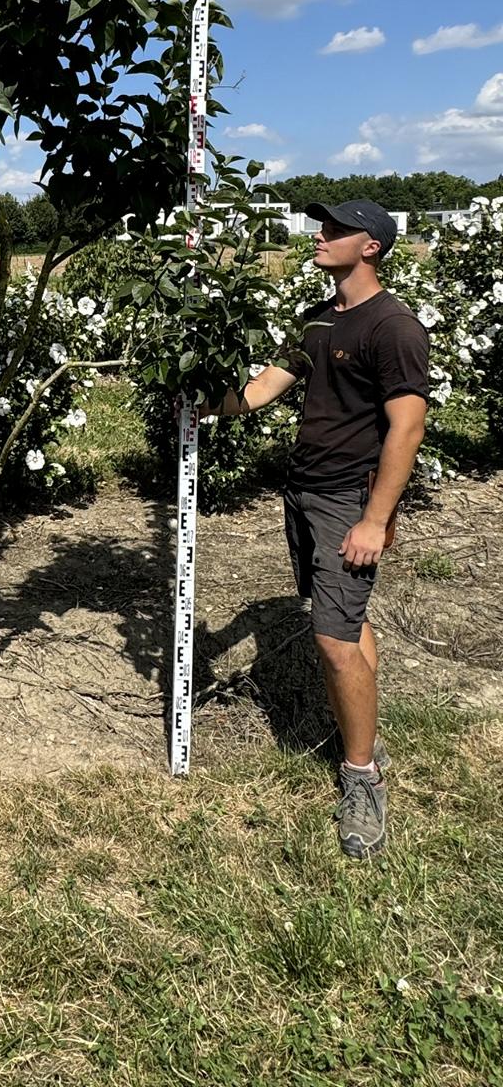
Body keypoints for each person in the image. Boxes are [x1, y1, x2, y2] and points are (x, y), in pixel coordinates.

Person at [202, 199, 429, 858]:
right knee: (347, 623)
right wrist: (196, 394)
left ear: (371, 247)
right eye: (321, 226)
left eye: (335, 230)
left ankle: (363, 777)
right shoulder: (317, 321)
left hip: (346, 502)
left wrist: (374, 519)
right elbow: (258, 391)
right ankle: (368, 735)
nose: (319, 236)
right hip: (302, 492)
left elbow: (407, 429)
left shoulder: (394, 327)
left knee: (330, 641)